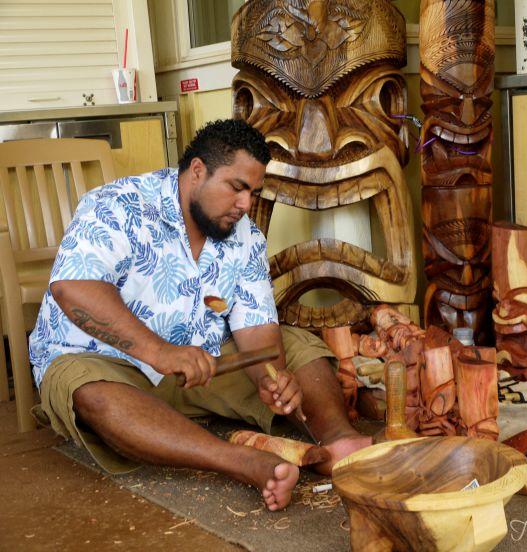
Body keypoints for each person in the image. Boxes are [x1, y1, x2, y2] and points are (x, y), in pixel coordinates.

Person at [28, 119, 371, 511]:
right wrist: (159, 353)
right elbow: (74, 287)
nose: (246, 205)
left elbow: (257, 330)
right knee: (90, 391)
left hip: (202, 368)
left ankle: (339, 444)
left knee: (295, 347)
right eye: (237, 188)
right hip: (104, 364)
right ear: (197, 171)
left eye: (253, 192)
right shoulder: (117, 205)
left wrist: (270, 378)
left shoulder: (246, 237)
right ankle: (242, 463)